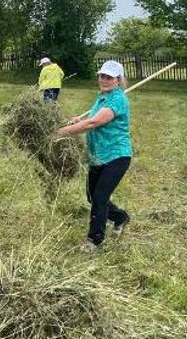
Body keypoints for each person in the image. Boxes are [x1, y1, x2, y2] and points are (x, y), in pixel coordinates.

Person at [55, 60, 131, 252]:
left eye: (109, 77)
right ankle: (120, 217)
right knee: (92, 196)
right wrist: (78, 120)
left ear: (118, 80)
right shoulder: (103, 97)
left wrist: (62, 131)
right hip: (98, 155)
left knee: (100, 197)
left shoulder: (117, 99)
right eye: (102, 76)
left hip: (116, 155)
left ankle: (94, 240)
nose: (104, 80)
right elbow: (91, 117)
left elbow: (94, 123)